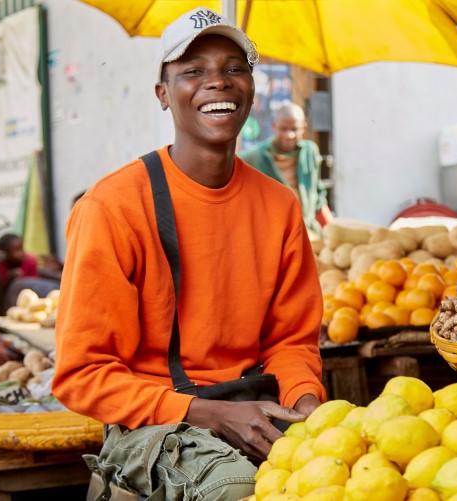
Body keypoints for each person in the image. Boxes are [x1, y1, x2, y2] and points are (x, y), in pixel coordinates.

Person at [52, 7, 325, 500]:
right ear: (163, 94)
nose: (217, 82)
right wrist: (209, 413)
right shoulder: (112, 207)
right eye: (193, 71)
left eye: (233, 68)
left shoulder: (279, 206)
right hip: (150, 420)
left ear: (252, 88)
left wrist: (304, 402)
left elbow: (291, 342)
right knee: (238, 488)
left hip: (252, 402)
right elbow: (82, 375)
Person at [240, 102, 332, 237]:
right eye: (283, 129)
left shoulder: (309, 152)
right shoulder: (252, 158)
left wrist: (332, 230)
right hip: (272, 237)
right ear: (273, 126)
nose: (289, 135)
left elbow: (318, 197)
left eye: (294, 129)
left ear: (304, 128)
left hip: (308, 233)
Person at [0, 233, 61, 313]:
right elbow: (0, 288)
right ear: (4, 254)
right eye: (17, 250)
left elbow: (33, 285)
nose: (21, 253)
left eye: (21, 248)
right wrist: (9, 277)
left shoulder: (29, 260)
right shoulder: (0, 264)